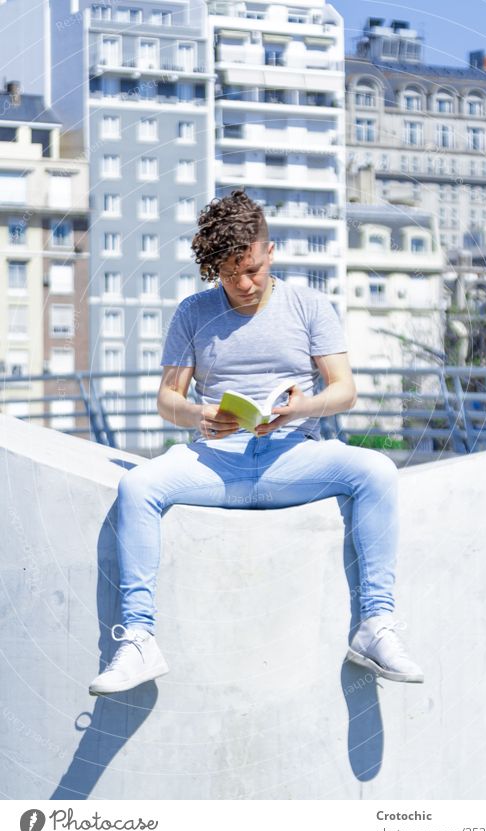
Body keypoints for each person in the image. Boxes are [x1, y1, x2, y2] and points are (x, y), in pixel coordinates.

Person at [89, 191, 423, 696]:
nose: (242, 285)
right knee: (137, 486)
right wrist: (203, 413)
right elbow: (167, 400)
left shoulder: (309, 306)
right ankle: (139, 638)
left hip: (292, 459)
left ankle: (375, 625)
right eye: (228, 275)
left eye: (251, 270)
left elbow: (344, 390)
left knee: (376, 472)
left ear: (270, 252)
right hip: (217, 461)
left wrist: (300, 406)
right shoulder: (193, 312)